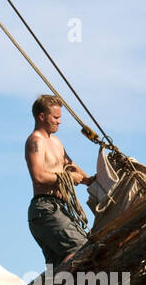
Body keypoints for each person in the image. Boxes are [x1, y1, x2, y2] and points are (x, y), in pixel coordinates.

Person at [25, 95, 95, 265]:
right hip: (46, 209)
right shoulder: (36, 141)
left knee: (58, 265)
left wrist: (90, 181)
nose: (59, 122)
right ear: (42, 117)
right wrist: (69, 179)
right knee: (82, 250)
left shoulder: (56, 142)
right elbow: (39, 176)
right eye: (55, 117)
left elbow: (70, 166)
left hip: (59, 208)